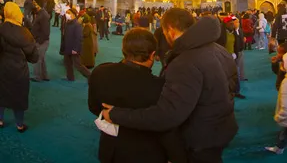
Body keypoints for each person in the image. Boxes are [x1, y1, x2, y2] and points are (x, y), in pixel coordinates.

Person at [102, 9, 238, 163]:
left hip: (199, 140)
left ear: (171, 31)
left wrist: (116, 115)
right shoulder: (219, 50)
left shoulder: (186, 62)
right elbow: (234, 87)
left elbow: (167, 115)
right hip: (219, 129)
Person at [89, 28, 187, 163]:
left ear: (124, 50)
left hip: (111, 150)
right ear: (152, 55)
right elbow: (166, 127)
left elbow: (94, 107)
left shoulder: (100, 72)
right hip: (147, 154)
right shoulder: (159, 87)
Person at [0, 2, 39, 131]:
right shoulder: (26, 33)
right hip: (19, 70)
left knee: (1, 95)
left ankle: (0, 121)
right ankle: (19, 124)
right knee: (19, 97)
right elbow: (34, 57)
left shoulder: (1, 29)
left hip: (3, 68)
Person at [63, 8, 91, 82]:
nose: (67, 14)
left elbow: (79, 38)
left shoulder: (77, 25)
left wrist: (75, 49)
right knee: (67, 63)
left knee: (78, 65)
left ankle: (90, 76)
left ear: (73, 14)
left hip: (74, 48)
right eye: (66, 13)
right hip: (67, 47)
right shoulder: (68, 23)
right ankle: (70, 77)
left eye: (68, 13)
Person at [30, 0, 50, 82]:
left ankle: (37, 77)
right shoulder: (40, 13)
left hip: (41, 41)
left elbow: (46, 31)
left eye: (35, 3)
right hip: (40, 40)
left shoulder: (43, 15)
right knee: (42, 59)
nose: (34, 5)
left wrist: (39, 41)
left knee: (37, 58)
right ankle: (45, 76)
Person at [233, 17, 247, 82]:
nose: (237, 24)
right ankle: (237, 78)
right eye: (235, 22)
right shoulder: (232, 32)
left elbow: (242, 37)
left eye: (238, 22)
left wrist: (243, 40)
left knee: (241, 64)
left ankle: (242, 77)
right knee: (236, 65)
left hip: (241, 49)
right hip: (235, 50)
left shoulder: (240, 30)